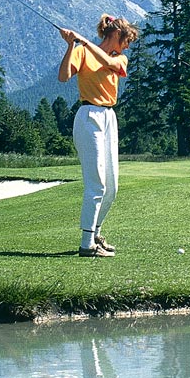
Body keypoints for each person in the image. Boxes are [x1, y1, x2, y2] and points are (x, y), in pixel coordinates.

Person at [58, 14, 138, 258]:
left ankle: (95, 234)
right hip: (88, 115)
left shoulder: (118, 59)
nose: (128, 46)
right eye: (127, 40)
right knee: (97, 183)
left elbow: (108, 62)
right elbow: (63, 77)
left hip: (108, 118)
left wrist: (84, 41)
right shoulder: (82, 53)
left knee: (112, 187)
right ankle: (86, 245)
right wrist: (72, 44)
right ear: (116, 35)